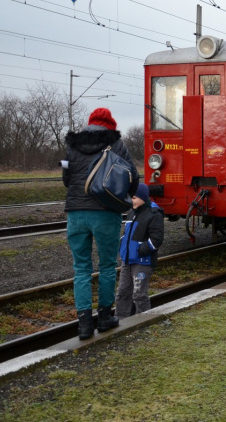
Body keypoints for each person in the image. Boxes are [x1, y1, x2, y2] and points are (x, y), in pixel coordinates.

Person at [63, 107, 140, 340]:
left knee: (81, 268)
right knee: (107, 265)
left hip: (76, 213)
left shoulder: (73, 144)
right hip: (106, 213)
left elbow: (66, 179)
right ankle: (105, 317)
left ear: (89, 123)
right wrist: (122, 195)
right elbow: (133, 177)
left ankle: (84, 325)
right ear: (111, 125)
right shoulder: (115, 144)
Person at [116, 183, 165, 318]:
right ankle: (121, 319)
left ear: (143, 198)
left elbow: (157, 239)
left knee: (139, 294)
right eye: (130, 198)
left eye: (134, 198)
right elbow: (127, 234)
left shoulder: (154, 214)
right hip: (127, 260)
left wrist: (140, 250)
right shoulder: (132, 212)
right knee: (122, 292)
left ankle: (142, 321)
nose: (131, 201)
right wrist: (122, 245)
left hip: (143, 261)